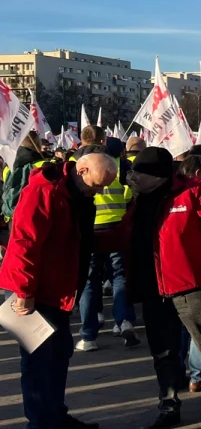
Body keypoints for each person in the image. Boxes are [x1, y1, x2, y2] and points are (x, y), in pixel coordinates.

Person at [0, 152, 117, 429]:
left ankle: (55, 417)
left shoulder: (70, 194)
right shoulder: (43, 192)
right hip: (38, 293)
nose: (100, 191)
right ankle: (40, 428)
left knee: (59, 355)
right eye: (98, 184)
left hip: (59, 291)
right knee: (39, 363)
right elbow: (24, 243)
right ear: (82, 169)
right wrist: (24, 292)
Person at [121, 147, 201, 429]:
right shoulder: (137, 200)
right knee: (163, 353)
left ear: (159, 176)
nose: (132, 178)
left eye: (139, 173)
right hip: (152, 289)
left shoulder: (192, 191)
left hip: (190, 287)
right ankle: (168, 406)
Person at [77, 143, 138, 352]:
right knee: (120, 277)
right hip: (116, 226)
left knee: (89, 282)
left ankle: (88, 335)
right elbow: (130, 197)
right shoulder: (119, 168)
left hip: (91, 230)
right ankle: (124, 321)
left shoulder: (79, 168)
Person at [3, 131, 47, 221]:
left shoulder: (7, 168)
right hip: (35, 217)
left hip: (12, 217)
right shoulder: (43, 165)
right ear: (37, 143)